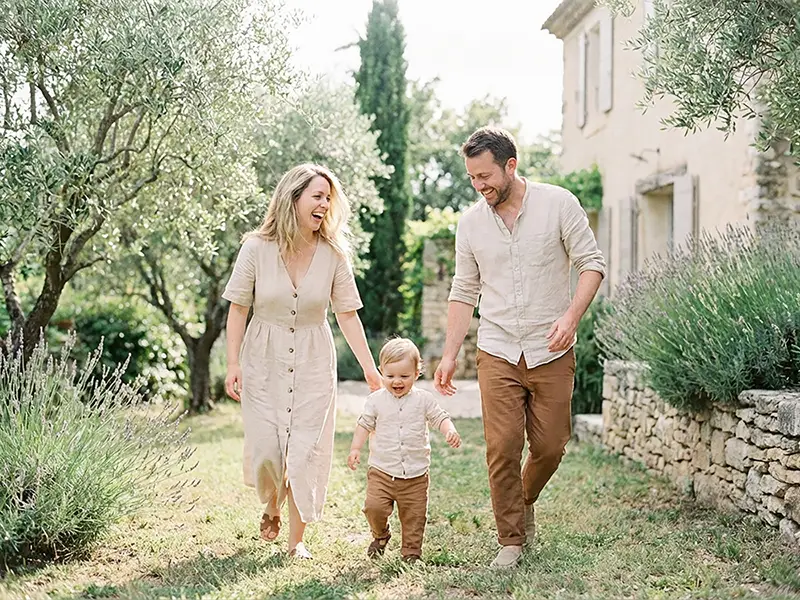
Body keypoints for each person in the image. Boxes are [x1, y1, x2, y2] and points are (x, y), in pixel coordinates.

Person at [433, 127, 606, 568]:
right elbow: (462, 289)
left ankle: (523, 498)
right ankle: (510, 537)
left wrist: (570, 318)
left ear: (511, 165)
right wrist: (450, 354)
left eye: (485, 175)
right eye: (472, 178)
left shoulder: (559, 204)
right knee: (503, 446)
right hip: (497, 349)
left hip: (551, 347)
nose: (479, 186)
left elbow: (591, 264)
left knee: (551, 447)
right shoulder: (470, 224)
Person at [223, 163, 382, 560]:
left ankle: (297, 541)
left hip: (314, 359)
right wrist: (232, 364)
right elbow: (238, 308)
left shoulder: (333, 254)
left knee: (305, 451)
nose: (325, 204)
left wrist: (368, 368)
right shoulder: (256, 248)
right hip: (263, 358)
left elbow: (347, 313)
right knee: (266, 450)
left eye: (329, 198)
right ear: (293, 198)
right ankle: (271, 504)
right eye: (317, 196)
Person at [347, 337, 461, 562]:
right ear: (381, 372)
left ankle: (411, 552)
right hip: (381, 471)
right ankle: (381, 535)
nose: (396, 381)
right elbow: (364, 425)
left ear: (417, 372)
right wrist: (355, 448)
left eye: (404, 376)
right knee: (373, 508)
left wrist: (449, 430)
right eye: (390, 376)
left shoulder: (423, 400)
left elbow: (439, 417)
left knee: (414, 517)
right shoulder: (375, 401)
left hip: (415, 476)